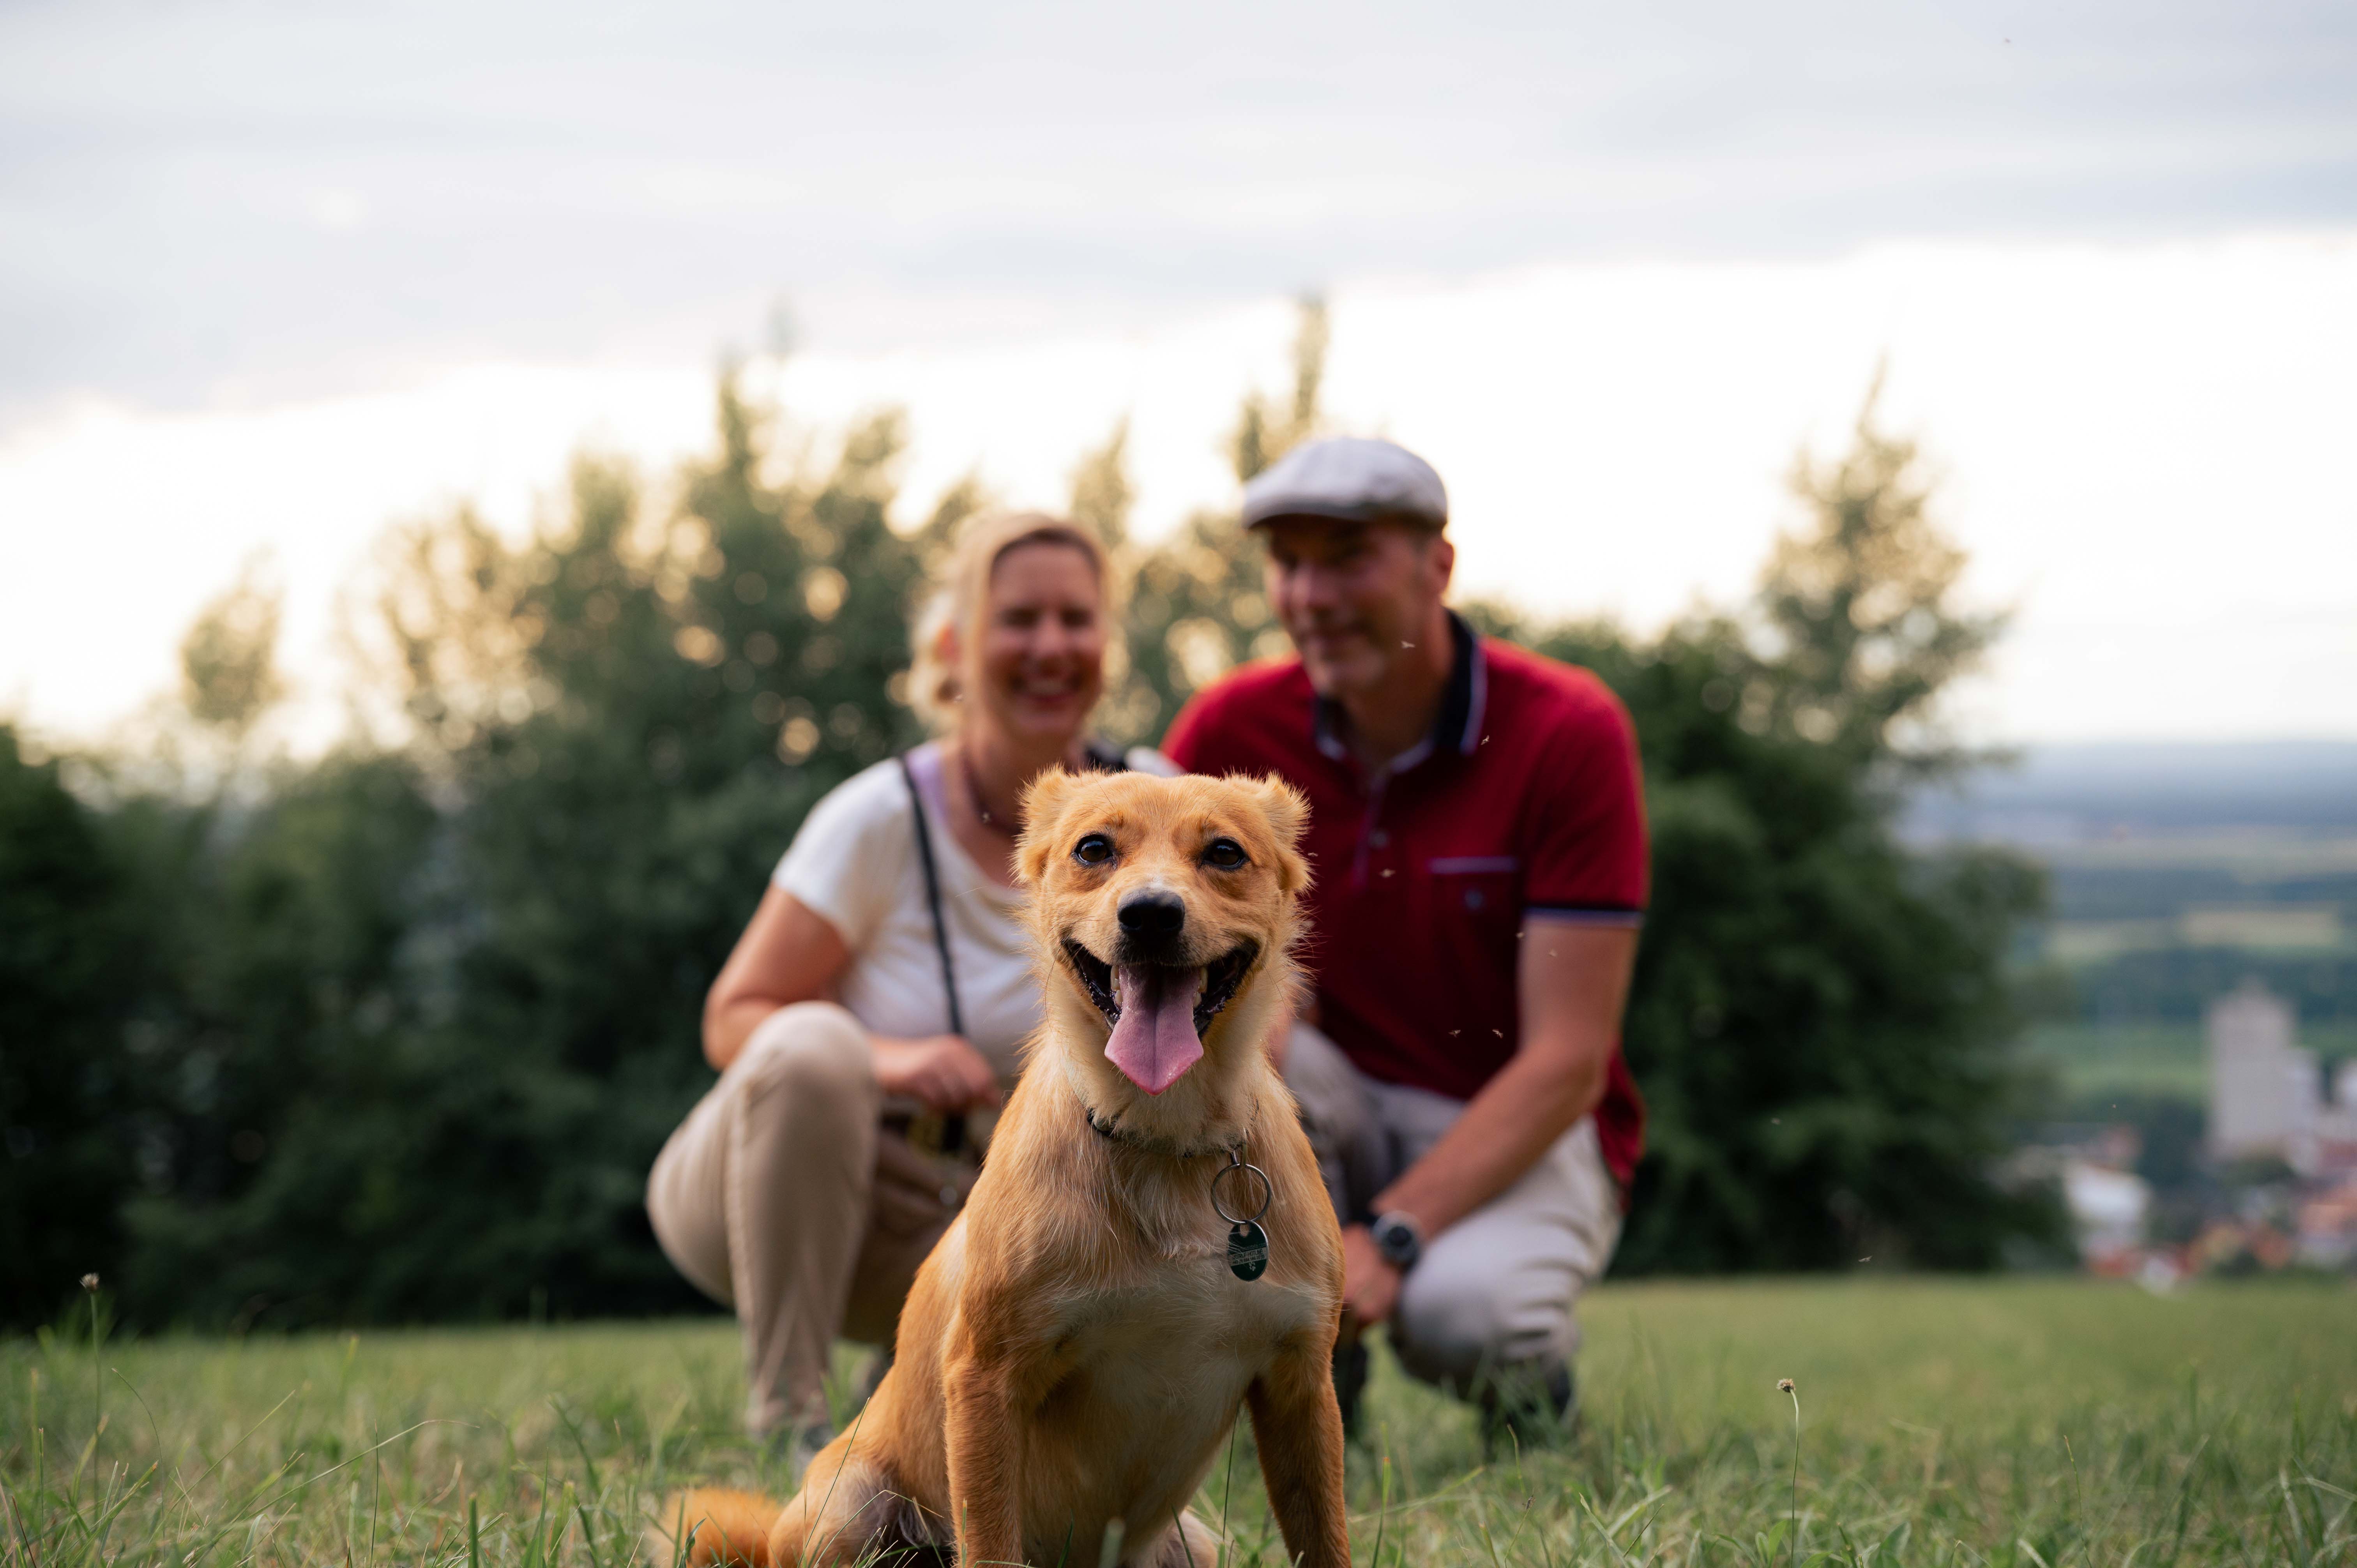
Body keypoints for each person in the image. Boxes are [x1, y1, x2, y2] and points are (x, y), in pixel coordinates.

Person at [647, 509, 1168, 1453]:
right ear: (954, 644)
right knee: (811, 1045)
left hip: (1005, 1219)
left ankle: (910, 1371)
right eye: (1019, 619)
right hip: (795, 1201)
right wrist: (889, 1058)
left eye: (1076, 618)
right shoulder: (876, 818)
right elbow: (736, 1016)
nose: (1051, 646)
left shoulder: (1166, 804)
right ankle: (791, 1419)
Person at [1162, 437, 1648, 1439]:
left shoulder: (1567, 728)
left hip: (1517, 1121)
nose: (1312, 595)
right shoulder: (1229, 730)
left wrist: (1390, 1235)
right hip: (1336, 1098)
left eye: (1349, 559)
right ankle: (1316, 1398)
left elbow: (1570, 1059)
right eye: (1290, 563)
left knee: (1461, 1317)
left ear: (1439, 565)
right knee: (1247, 1071)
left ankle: (1530, 1390)